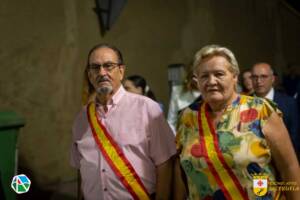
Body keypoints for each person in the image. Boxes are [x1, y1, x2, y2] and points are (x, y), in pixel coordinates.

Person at [174, 44, 300, 200]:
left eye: (219, 74)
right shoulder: (187, 117)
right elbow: (181, 169)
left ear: (234, 76)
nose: (211, 81)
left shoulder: (261, 111)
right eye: (204, 76)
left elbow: (289, 167)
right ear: (196, 81)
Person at [70, 43, 176, 200]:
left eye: (108, 66)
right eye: (95, 67)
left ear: (121, 71)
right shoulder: (81, 119)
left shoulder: (147, 109)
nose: (102, 72)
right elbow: (81, 170)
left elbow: (165, 164)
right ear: (89, 75)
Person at [251, 62, 300, 156]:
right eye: (254, 77)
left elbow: (295, 136)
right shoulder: (243, 103)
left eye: (263, 76)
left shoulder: (289, 103)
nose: (258, 81)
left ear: (273, 79)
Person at [167, 64, 201, 134]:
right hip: (183, 138)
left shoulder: (212, 92)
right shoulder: (177, 91)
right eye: (194, 76)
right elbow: (171, 121)